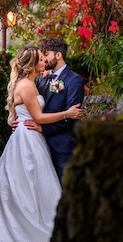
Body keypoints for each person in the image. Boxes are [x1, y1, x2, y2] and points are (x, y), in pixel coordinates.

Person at [0, 46, 83, 242]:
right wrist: (67, 114)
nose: (44, 63)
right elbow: (39, 118)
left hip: (32, 136)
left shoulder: (34, 83)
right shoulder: (26, 86)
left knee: (35, 183)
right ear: (33, 65)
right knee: (24, 183)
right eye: (41, 60)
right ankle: (24, 229)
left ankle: (39, 223)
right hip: (27, 139)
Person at [35, 37, 86, 182]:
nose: (43, 60)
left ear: (58, 55)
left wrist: (43, 128)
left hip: (62, 146)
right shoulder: (41, 79)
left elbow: (71, 117)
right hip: (40, 144)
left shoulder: (74, 80)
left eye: (46, 55)